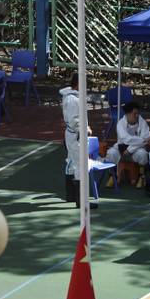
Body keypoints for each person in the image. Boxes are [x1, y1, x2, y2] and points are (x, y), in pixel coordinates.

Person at [59, 73, 96, 209]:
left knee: (71, 163)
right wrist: (85, 129)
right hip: (76, 136)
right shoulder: (73, 100)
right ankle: (82, 200)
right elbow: (74, 119)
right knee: (81, 165)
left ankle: (71, 195)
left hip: (72, 134)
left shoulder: (71, 97)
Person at [105, 102, 150, 188]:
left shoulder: (142, 122)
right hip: (121, 149)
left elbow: (145, 140)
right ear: (127, 114)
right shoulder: (120, 123)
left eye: (137, 113)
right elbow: (126, 139)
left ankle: (141, 176)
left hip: (136, 150)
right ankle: (112, 176)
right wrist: (142, 140)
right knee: (111, 153)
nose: (137, 115)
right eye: (134, 114)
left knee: (143, 154)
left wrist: (130, 150)